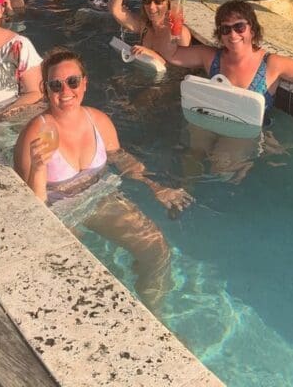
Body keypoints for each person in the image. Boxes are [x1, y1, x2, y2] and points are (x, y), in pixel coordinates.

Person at [14, 47, 193, 308]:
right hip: (57, 207)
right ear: (45, 89)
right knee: (75, 268)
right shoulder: (34, 134)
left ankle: (154, 310)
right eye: (56, 85)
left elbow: (121, 158)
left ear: (85, 83)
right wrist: (39, 168)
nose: (66, 92)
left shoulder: (98, 121)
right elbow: (28, 204)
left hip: (99, 196)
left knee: (156, 247)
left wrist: (155, 186)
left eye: (73, 82)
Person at [170, 0, 293, 135]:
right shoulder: (211, 57)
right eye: (226, 29)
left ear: (252, 30)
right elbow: (172, 55)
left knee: (222, 161)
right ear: (220, 34)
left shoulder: (270, 64)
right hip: (212, 122)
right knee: (193, 154)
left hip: (244, 135)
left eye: (239, 27)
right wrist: (167, 26)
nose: (233, 35)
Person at [109, 0, 191, 65]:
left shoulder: (178, 33)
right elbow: (115, 10)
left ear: (168, 4)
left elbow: (184, 69)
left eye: (158, 1)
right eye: (147, 1)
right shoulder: (144, 26)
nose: (151, 7)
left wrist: (153, 55)